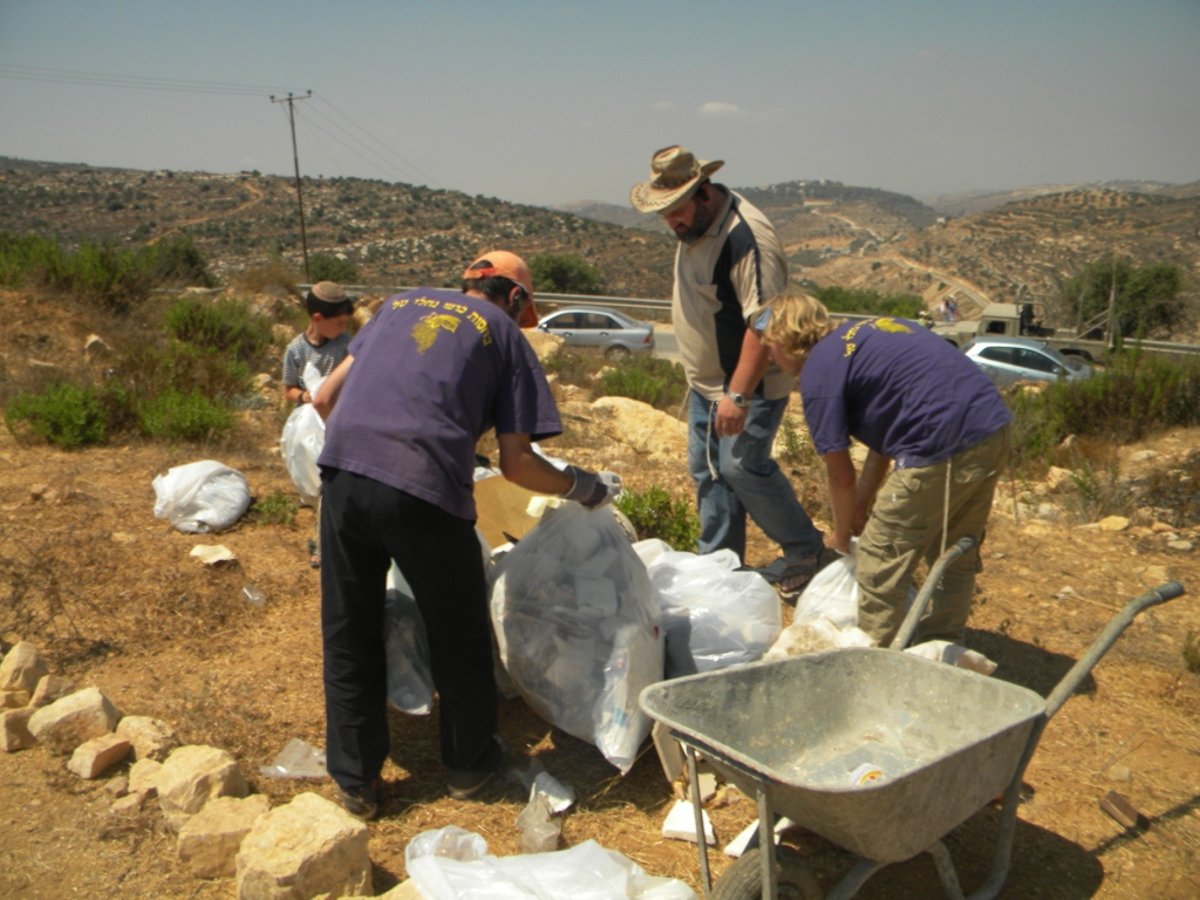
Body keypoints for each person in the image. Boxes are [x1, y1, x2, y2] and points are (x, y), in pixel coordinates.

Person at [312, 250, 621, 819]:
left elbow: (324, 398)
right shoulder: (504, 333)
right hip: (423, 489)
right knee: (458, 632)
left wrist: (371, 452)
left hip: (343, 478)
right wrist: (583, 486)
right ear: (517, 299)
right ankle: (469, 768)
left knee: (348, 629)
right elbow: (518, 466)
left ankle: (355, 782)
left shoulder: (397, 305)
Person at [759, 292, 1012, 648]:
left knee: (878, 558)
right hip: (991, 428)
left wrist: (842, 535)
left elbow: (839, 474)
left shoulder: (819, 371)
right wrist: (862, 504)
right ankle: (940, 649)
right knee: (952, 551)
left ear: (787, 339)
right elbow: (883, 443)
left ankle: (877, 663)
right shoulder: (864, 334)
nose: (769, 355)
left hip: (941, 442)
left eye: (770, 345)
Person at [629, 145, 824, 598]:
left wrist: (737, 395)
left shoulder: (745, 239)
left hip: (746, 384)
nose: (672, 222)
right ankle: (720, 566)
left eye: (677, 211)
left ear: (703, 194)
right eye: (664, 214)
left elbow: (765, 320)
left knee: (741, 467)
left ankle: (804, 550)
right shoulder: (694, 227)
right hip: (708, 382)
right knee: (709, 471)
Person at [282, 281, 356, 568]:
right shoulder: (296, 350)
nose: (342, 328)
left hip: (341, 420)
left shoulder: (345, 344)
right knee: (321, 483)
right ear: (317, 319)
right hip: (310, 428)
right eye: (338, 323)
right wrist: (306, 396)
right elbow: (288, 388)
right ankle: (326, 544)